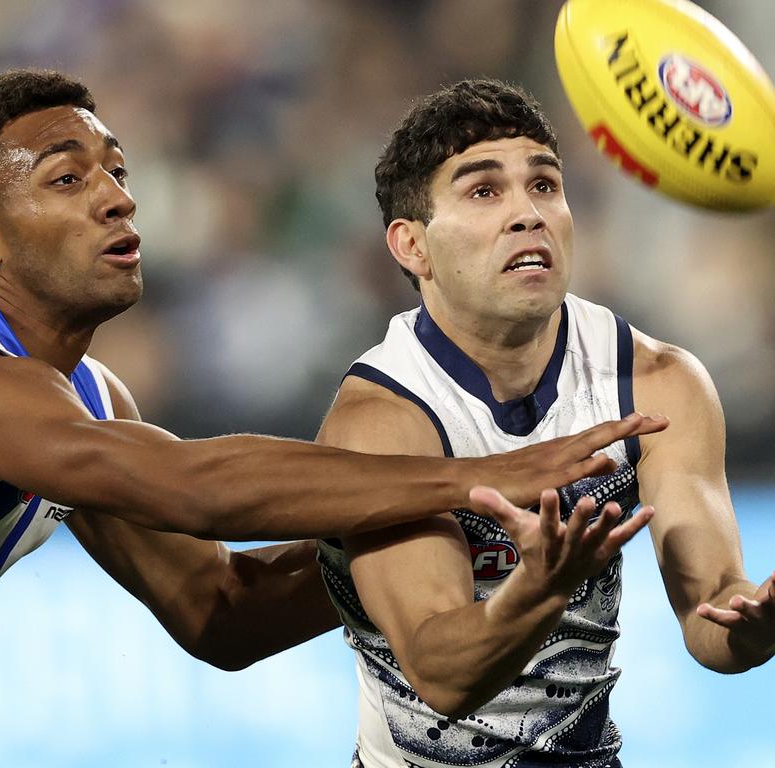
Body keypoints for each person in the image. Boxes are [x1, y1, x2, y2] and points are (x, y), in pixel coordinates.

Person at [0, 70, 663, 768]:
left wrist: (433, 543)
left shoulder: (86, 405)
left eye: (117, 170)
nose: (118, 196)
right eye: (67, 180)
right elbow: (195, 489)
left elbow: (218, 613)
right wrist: (483, 473)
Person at [315, 78, 775, 768]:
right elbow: (441, 674)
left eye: (545, 185)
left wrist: (756, 625)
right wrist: (543, 582)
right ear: (412, 246)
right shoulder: (382, 422)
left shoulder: (655, 383)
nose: (528, 214)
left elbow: (712, 623)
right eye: (483, 192)